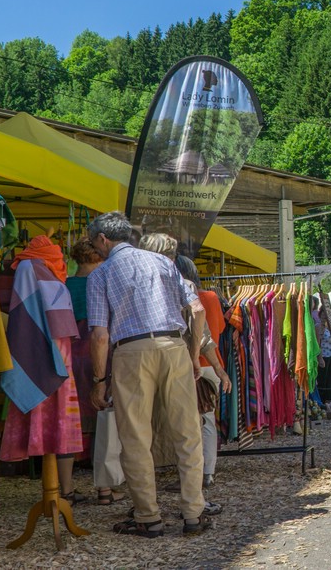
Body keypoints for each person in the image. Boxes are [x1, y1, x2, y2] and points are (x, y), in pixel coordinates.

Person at [86, 213, 217, 537]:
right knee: (187, 434)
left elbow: (100, 335)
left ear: (103, 239)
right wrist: (190, 355)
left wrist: (99, 382)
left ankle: (148, 516)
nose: (94, 248)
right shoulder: (162, 262)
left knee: (135, 438)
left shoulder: (100, 274)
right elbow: (197, 309)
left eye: (93, 243)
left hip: (131, 350)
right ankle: (193, 513)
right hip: (173, 344)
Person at [171, 254, 231, 490]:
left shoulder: (177, 296)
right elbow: (219, 328)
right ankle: (208, 472)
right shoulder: (212, 297)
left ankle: (190, 474)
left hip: (190, 363)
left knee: (186, 424)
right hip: (211, 362)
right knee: (208, 422)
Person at [65, 237, 106, 503]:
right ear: (96, 257)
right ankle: (105, 487)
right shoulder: (100, 282)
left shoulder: (65, 284)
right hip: (96, 352)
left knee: (69, 419)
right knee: (105, 418)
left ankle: (66, 488)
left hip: (69, 354)